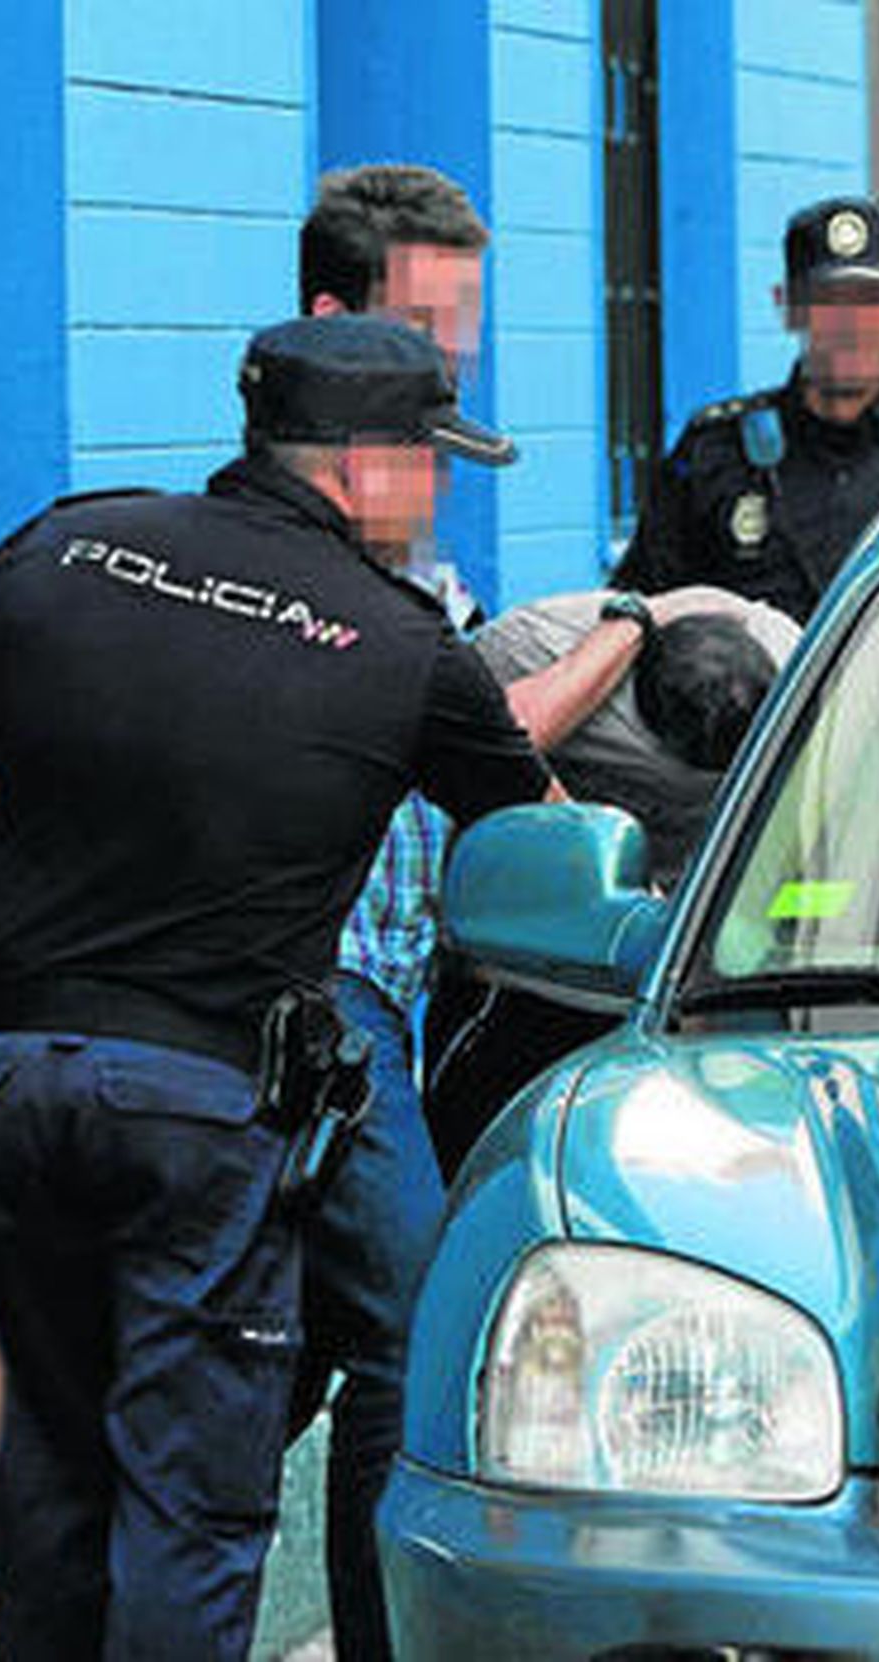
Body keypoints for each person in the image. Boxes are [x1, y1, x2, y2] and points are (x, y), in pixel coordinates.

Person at [0, 313, 554, 1661]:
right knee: (188, 1497)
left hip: (1, 1073)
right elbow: (548, 839)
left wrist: (28, 946)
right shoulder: (402, 641)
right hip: (204, 1106)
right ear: (367, 463)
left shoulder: (60, 544)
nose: (439, 493)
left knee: (38, 1469)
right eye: (433, 462)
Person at [291, 160, 494, 1662]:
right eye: (426, 328)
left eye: (463, 330)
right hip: (319, 1001)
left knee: (291, 1353)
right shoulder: (304, 549)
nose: (455, 363)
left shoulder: (416, 528)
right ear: (331, 322)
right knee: (412, 1330)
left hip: (389, 1006)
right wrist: (629, 629)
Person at [423, 584, 799, 1179]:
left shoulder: (799, 666)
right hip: (539, 932)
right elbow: (478, 760)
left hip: (706, 943)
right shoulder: (534, 649)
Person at [612, 195, 879, 623]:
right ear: (788, 306)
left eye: (871, 298)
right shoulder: (718, 452)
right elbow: (640, 611)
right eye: (827, 299)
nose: (850, 322)